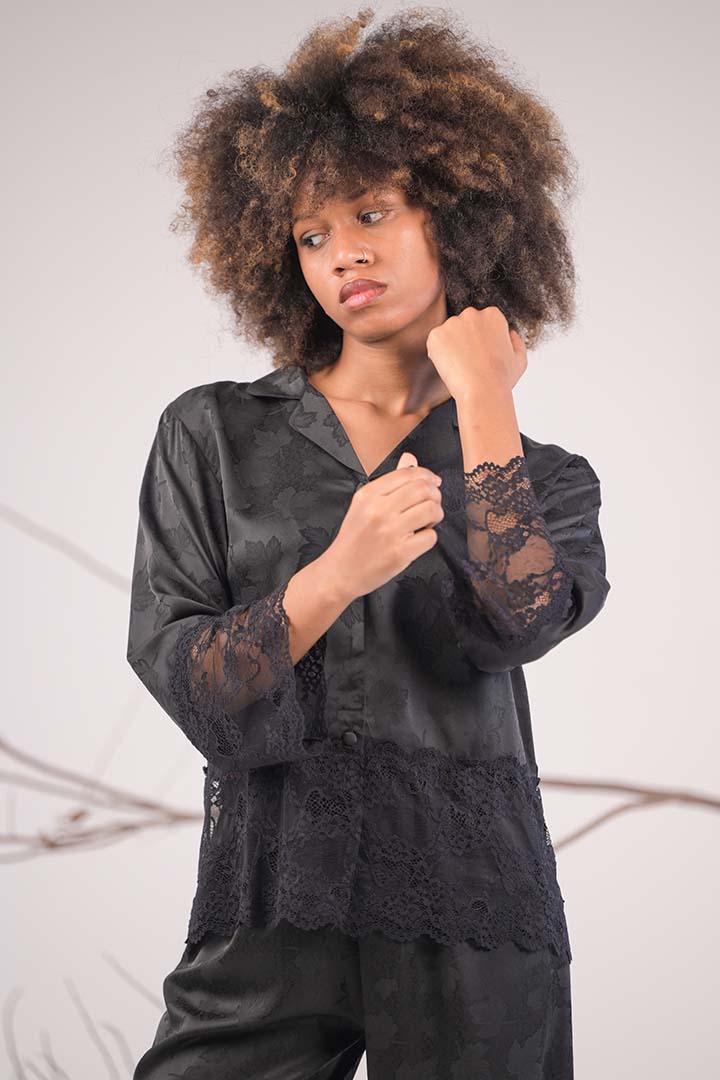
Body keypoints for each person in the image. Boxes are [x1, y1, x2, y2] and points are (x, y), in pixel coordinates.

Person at [127, 7, 610, 1078]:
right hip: (271, 899)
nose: (342, 251)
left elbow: (523, 622)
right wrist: (336, 575)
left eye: (372, 212)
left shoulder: (550, 478)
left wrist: (484, 398)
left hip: (474, 915)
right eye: (311, 234)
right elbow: (186, 677)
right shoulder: (213, 433)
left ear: (457, 219)